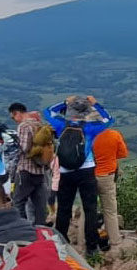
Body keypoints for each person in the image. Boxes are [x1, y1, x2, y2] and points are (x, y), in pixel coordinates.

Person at [43, 95, 113, 257]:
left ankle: (61, 241)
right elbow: (108, 119)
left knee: (64, 209)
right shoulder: (90, 128)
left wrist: (64, 102)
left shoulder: (60, 125)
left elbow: (48, 112)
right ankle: (91, 247)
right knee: (90, 209)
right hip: (86, 170)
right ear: (86, 112)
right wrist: (97, 104)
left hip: (65, 172)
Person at [8, 102, 49, 225]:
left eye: (13, 116)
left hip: (26, 169)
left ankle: (21, 228)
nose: (14, 120)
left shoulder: (24, 126)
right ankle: (41, 229)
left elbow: (24, 148)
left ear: (17, 113)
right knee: (39, 205)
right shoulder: (39, 124)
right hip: (40, 170)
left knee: (18, 202)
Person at [92, 128, 129, 246]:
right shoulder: (114, 135)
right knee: (110, 210)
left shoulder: (88, 134)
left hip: (89, 175)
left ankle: (84, 240)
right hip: (107, 176)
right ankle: (114, 239)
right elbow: (123, 153)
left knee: (87, 209)